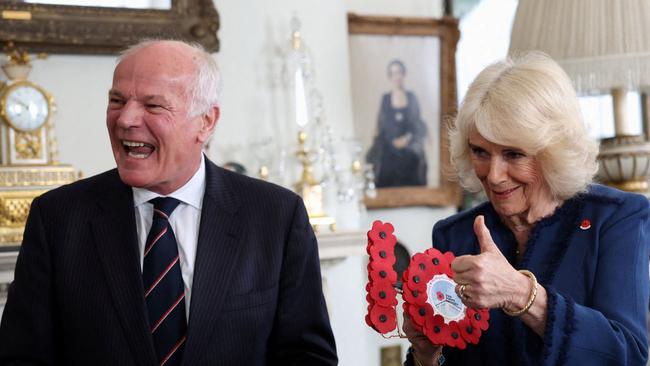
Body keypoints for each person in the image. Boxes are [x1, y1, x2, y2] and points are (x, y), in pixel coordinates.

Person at [0, 40, 337, 365]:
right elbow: (22, 357)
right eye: (117, 101)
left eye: (152, 105)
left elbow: (307, 356)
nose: (125, 119)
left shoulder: (276, 216)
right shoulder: (58, 217)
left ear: (206, 122)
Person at [403, 52, 649, 365]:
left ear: (553, 151)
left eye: (513, 154)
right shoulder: (455, 235)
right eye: (480, 151)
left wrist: (520, 293)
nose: (493, 175)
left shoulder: (615, 218)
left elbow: (626, 355)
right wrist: (426, 354)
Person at [366, 59, 428, 188]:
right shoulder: (385, 98)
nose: (397, 76)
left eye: (399, 72)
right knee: (385, 163)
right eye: (393, 73)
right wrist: (392, 141)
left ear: (403, 74)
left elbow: (417, 123)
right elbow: (382, 125)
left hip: (409, 144)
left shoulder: (411, 97)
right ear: (390, 77)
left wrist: (407, 138)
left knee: (413, 159)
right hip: (389, 145)